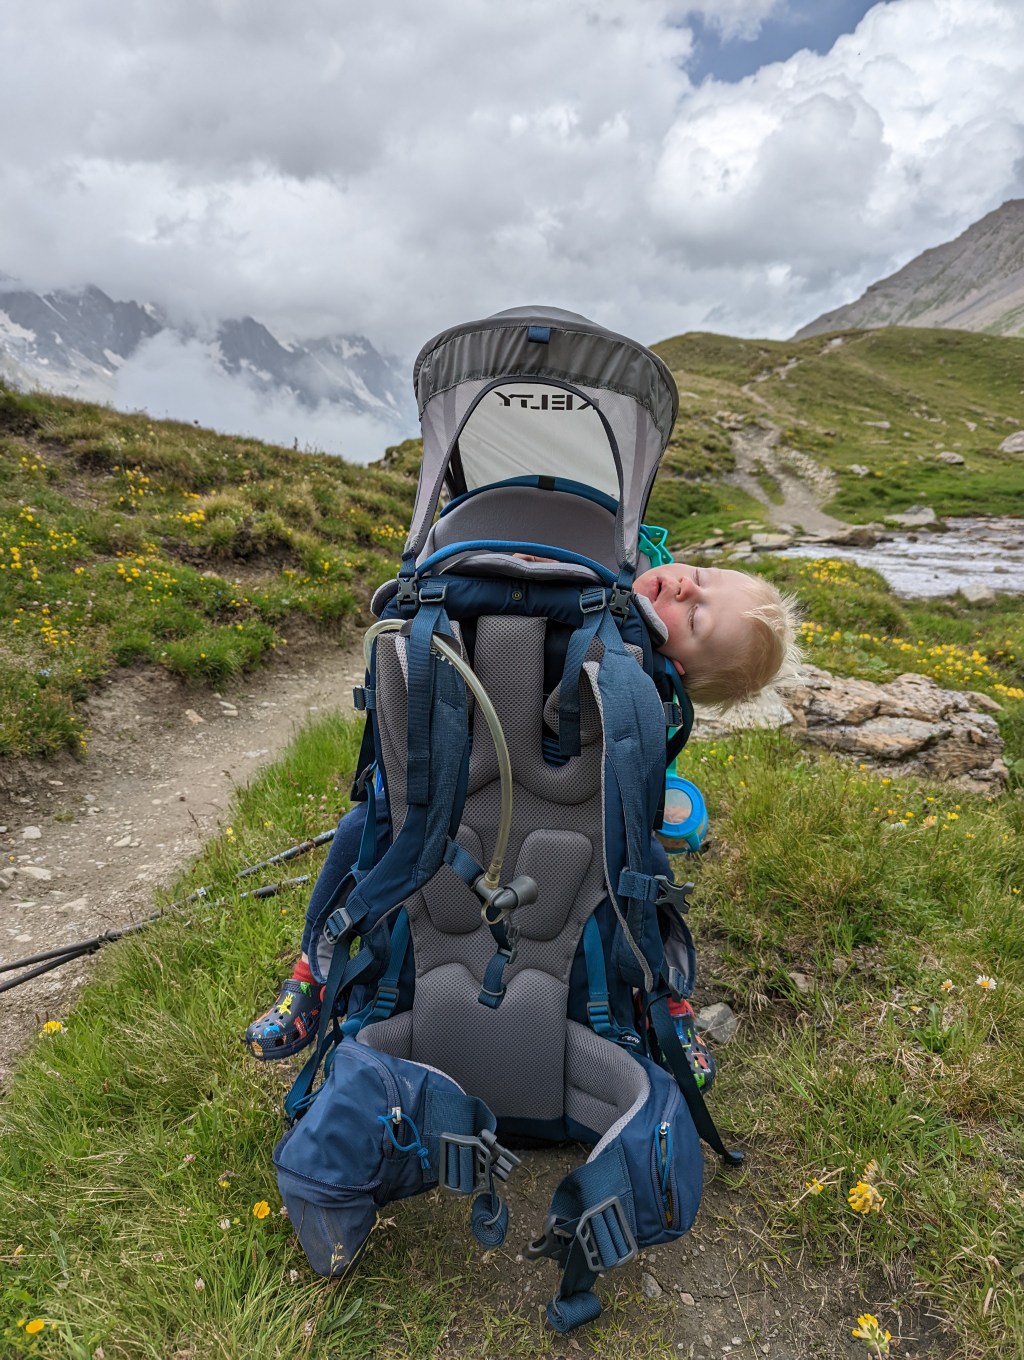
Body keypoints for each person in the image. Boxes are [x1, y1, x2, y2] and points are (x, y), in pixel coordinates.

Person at [244, 560, 799, 1064]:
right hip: (446, 782)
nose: (684, 585)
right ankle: (312, 973)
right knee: (360, 829)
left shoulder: (637, 673)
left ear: (674, 665)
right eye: (701, 574)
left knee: (646, 858)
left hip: (566, 811)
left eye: (696, 615)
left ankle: (662, 993)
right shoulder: (608, 563)